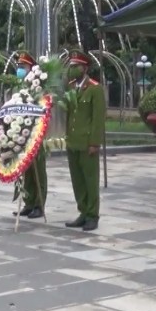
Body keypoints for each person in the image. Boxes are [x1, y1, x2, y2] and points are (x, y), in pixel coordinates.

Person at [63, 51, 106, 231]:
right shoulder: (71, 87)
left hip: (87, 142)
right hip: (73, 141)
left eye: (76, 66)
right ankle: (82, 211)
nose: (73, 69)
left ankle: (92, 215)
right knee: (77, 180)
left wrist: (94, 143)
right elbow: (69, 114)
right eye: (71, 66)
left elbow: (98, 118)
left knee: (90, 179)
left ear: (85, 68)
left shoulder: (95, 88)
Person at [15, 51, 47, 220]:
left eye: (22, 67)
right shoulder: (20, 87)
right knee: (26, 169)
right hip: (22, 133)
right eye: (18, 67)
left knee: (38, 170)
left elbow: (45, 108)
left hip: (36, 132)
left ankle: (39, 205)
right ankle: (28, 202)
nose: (19, 70)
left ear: (31, 68)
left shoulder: (40, 86)